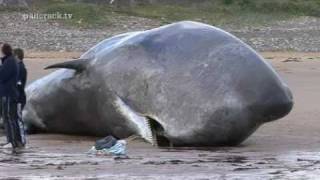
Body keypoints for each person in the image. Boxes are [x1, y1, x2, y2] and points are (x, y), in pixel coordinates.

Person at [0, 43, 26, 152]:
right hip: (10, 93)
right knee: (11, 117)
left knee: (10, 117)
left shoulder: (10, 62)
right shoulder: (10, 61)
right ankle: (16, 141)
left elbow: (2, 76)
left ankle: (13, 141)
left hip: (9, 94)